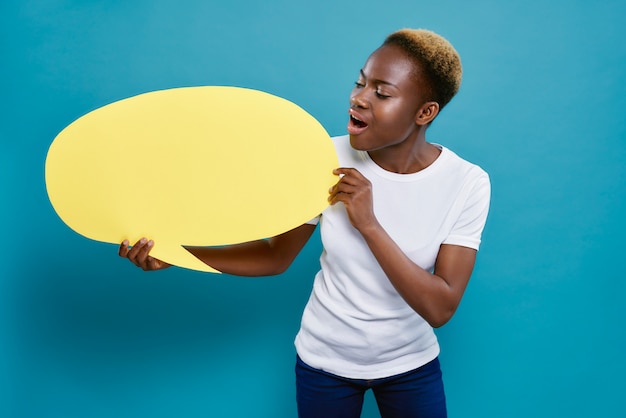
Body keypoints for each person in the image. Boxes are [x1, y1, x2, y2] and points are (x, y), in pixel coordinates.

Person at [119, 28, 490, 418]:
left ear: (425, 112)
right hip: (324, 364)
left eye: (382, 93)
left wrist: (369, 224)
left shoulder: (466, 182)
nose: (358, 98)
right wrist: (179, 255)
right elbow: (274, 256)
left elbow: (440, 307)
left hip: (410, 367)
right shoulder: (324, 157)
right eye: (360, 82)